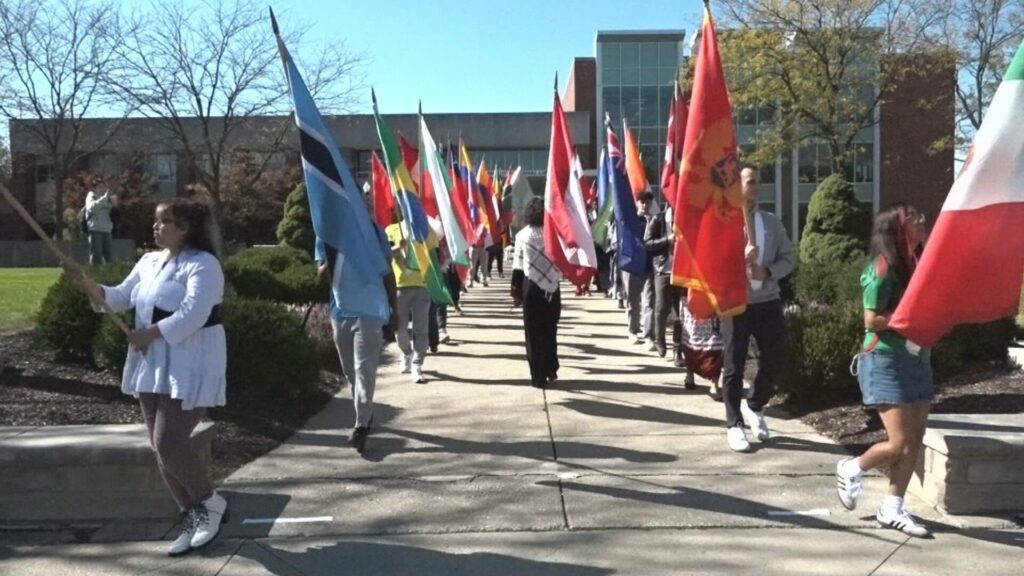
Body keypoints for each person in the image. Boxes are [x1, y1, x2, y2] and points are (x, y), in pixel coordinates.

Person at [68, 199, 227, 556]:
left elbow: (194, 314)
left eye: (163, 222)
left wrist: (150, 333)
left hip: (192, 361)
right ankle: (192, 514)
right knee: (160, 447)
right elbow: (121, 297)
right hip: (152, 363)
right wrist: (91, 287)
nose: (155, 228)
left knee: (170, 440)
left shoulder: (204, 265)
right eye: (156, 223)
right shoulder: (149, 261)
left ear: (185, 227)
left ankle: (210, 503)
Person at [836, 203, 931, 538]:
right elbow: (871, 319)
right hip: (886, 360)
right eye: (913, 219)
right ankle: (852, 467)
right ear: (896, 230)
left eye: (919, 216)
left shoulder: (917, 263)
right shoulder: (882, 267)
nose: (921, 221)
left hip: (918, 358)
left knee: (915, 439)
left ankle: (892, 507)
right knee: (900, 443)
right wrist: (910, 321)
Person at [723, 165, 794, 453]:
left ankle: (754, 405)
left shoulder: (771, 223)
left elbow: (788, 259)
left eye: (757, 182)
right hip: (735, 302)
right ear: (737, 186)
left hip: (767, 302)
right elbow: (713, 264)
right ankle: (734, 424)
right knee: (733, 365)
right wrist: (739, 259)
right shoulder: (725, 223)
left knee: (776, 356)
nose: (756, 187)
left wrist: (768, 271)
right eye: (750, 182)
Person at [316, 216, 397, 454]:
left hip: (370, 308)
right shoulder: (325, 233)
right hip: (340, 311)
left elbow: (387, 271)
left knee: (364, 367)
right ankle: (365, 412)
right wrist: (335, 253)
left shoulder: (373, 230)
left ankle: (361, 425)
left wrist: (394, 310)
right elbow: (321, 275)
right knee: (350, 370)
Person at [511, 197, 562, 388]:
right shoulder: (554, 234)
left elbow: (518, 266)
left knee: (532, 334)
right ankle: (551, 367)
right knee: (551, 330)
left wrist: (516, 292)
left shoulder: (522, 236)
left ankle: (537, 375)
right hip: (553, 287)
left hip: (531, 287)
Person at [386, 216, 433, 383]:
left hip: (422, 285)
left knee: (421, 329)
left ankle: (417, 364)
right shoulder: (390, 230)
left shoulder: (424, 228)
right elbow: (386, 254)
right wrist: (400, 246)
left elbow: (434, 250)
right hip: (399, 286)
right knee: (400, 330)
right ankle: (407, 352)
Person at [623, 191, 655, 344]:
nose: (644, 205)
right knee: (633, 301)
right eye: (642, 202)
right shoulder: (631, 219)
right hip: (633, 265)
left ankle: (649, 334)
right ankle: (633, 330)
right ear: (637, 203)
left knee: (649, 302)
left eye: (647, 202)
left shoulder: (655, 220)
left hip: (649, 266)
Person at [84, 185, 115, 265]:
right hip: (95, 230)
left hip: (107, 230)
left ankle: (109, 274)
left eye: (104, 186)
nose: (102, 188)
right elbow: (91, 208)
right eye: (100, 186)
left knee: (109, 258)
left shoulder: (109, 199)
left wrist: (115, 205)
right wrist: (104, 198)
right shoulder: (92, 196)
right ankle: (95, 274)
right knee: (96, 257)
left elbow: (113, 214)